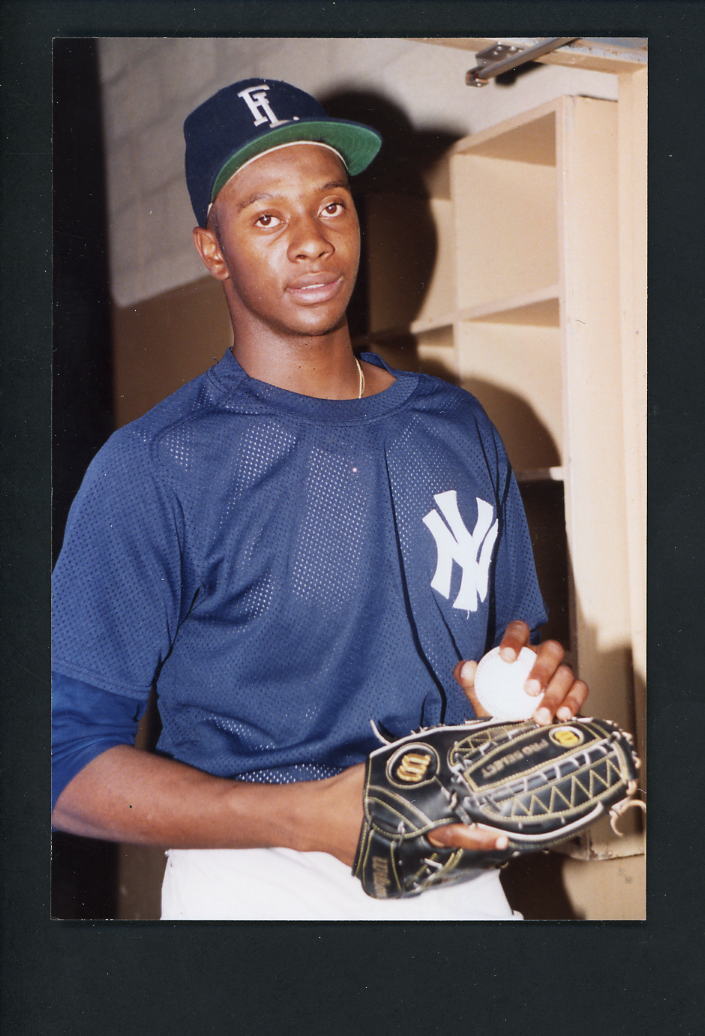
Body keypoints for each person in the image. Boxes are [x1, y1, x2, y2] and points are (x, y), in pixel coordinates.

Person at [51, 78, 588, 921]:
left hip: (459, 874)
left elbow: (512, 638)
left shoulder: (457, 425)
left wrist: (528, 683)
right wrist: (303, 818)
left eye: (331, 207)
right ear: (212, 248)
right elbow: (61, 758)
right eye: (266, 217)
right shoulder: (158, 464)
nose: (310, 242)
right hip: (254, 885)